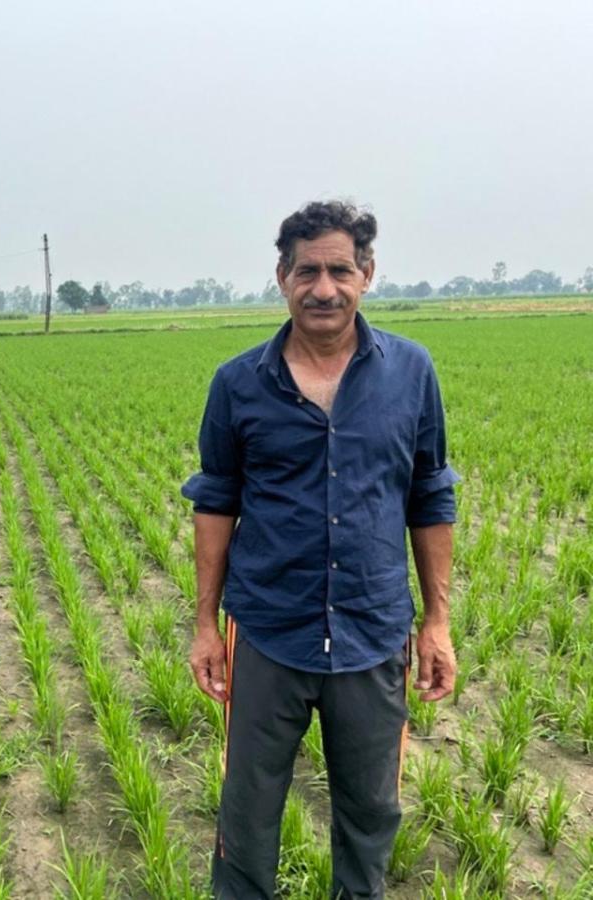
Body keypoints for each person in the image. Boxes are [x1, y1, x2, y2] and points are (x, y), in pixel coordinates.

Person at [183, 200, 458, 899]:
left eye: (341, 269)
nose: (324, 288)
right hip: (268, 630)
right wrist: (204, 626)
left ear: (367, 274)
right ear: (282, 278)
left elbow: (429, 496)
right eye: (308, 271)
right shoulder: (238, 383)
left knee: (370, 816)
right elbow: (216, 502)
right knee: (246, 815)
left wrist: (436, 621)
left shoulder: (411, 374)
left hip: (372, 632)